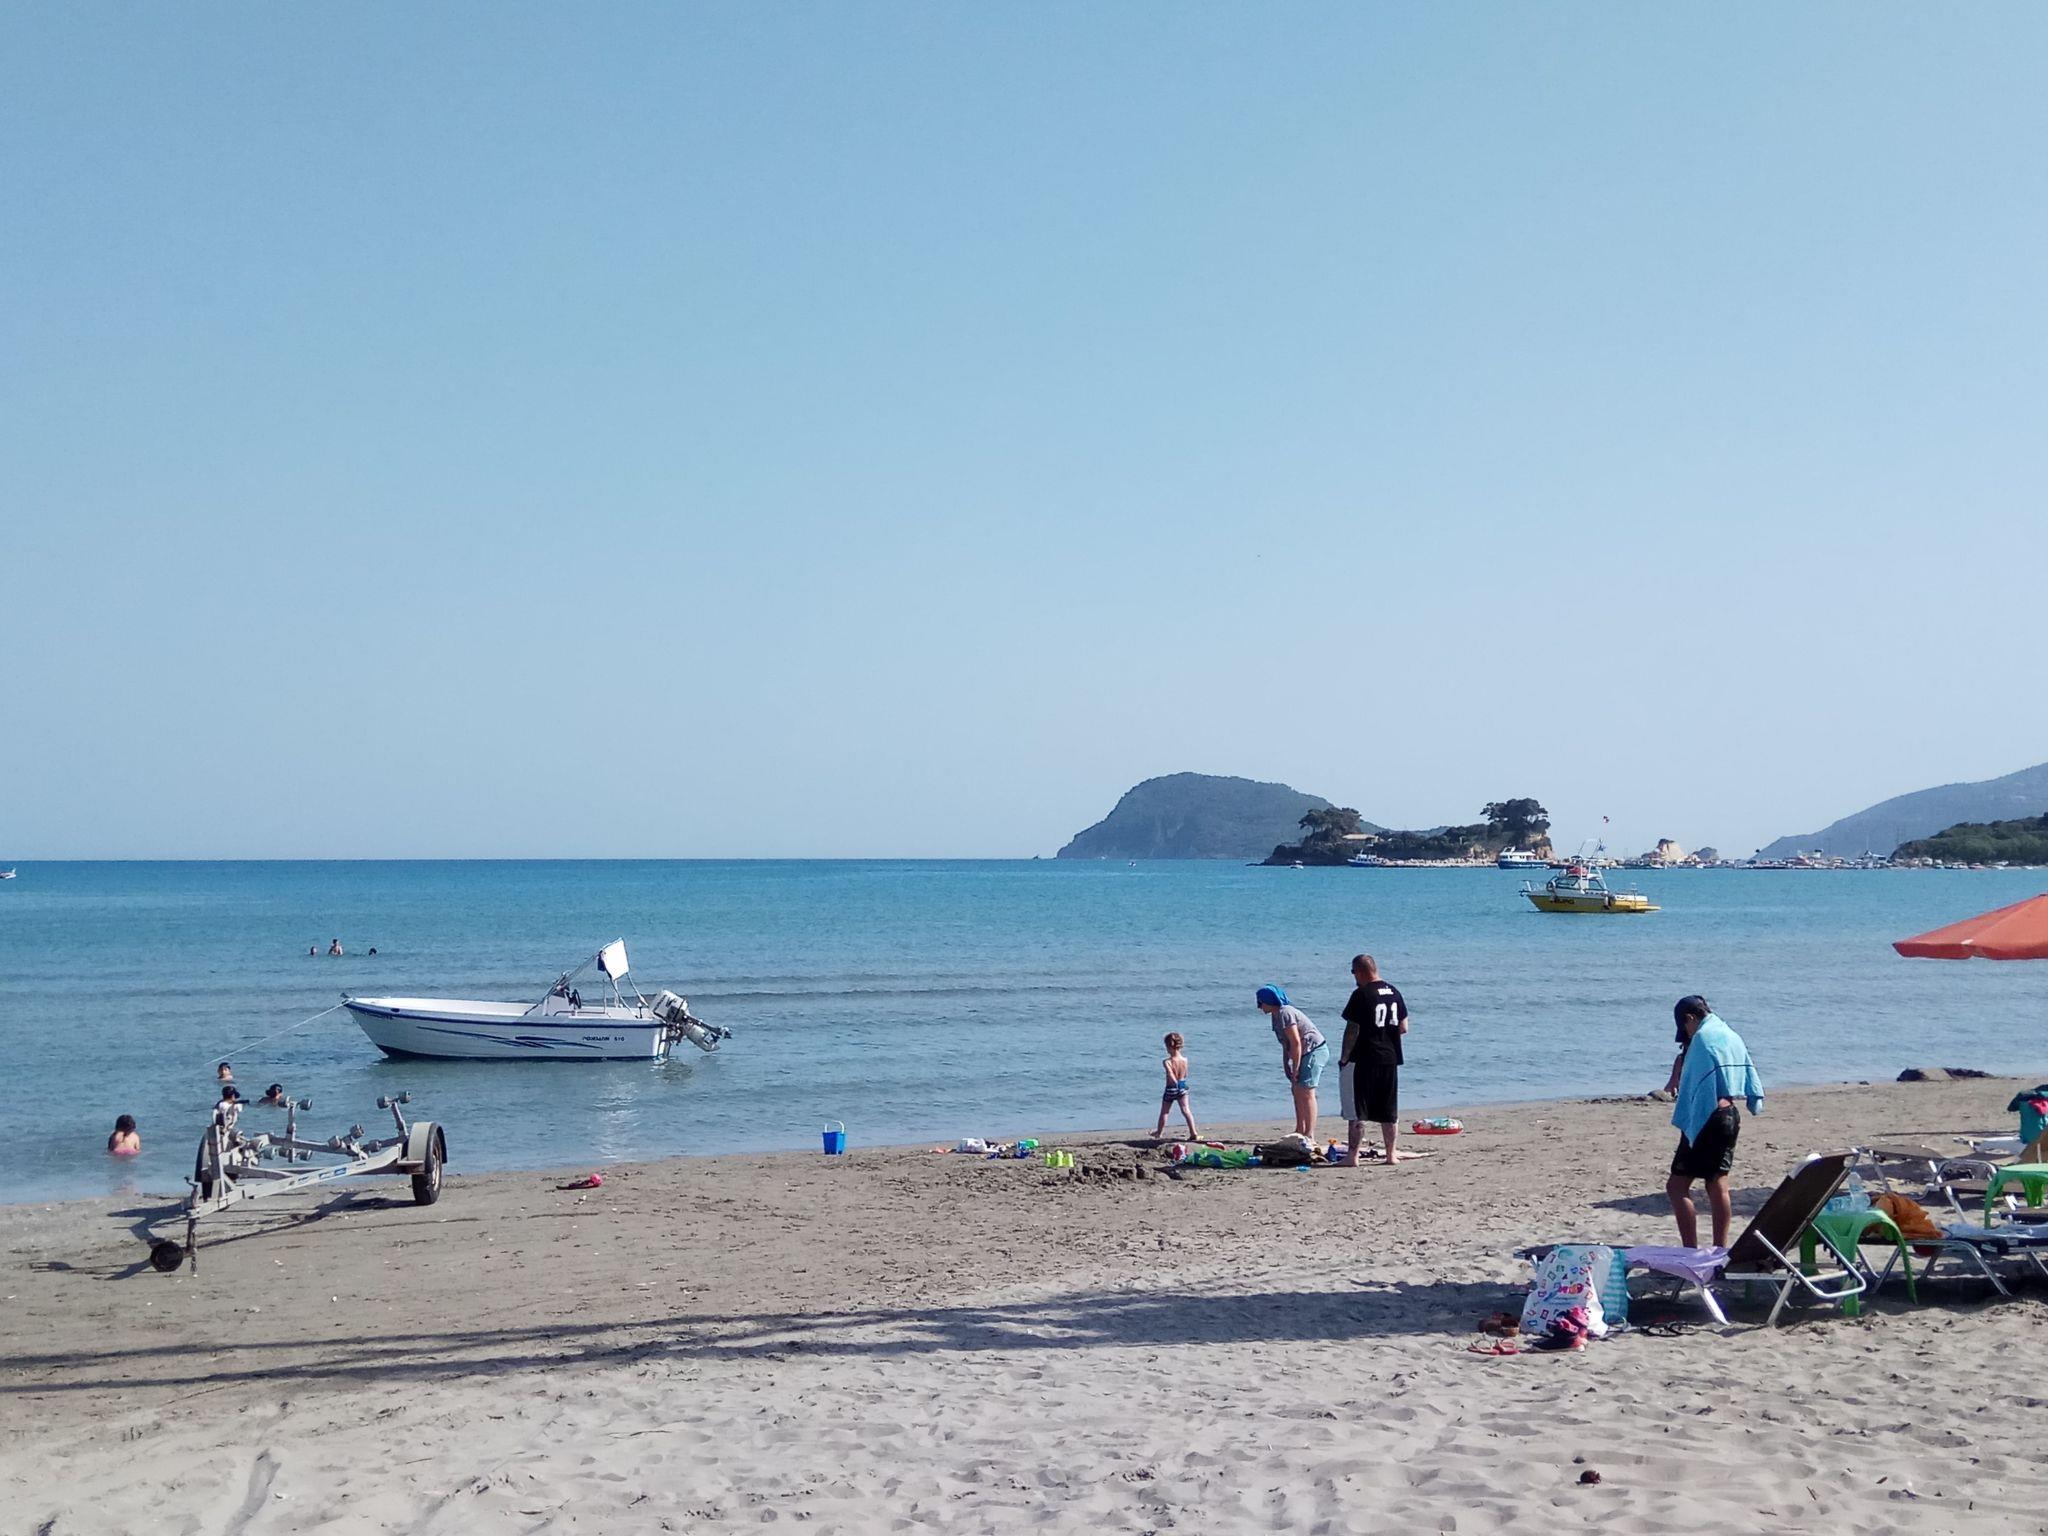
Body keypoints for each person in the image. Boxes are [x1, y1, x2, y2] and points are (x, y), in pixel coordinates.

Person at [1664, 995, 1765, 1249]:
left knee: (1677, 1186)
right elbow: (1747, 1069)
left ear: (1690, 1018)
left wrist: (1687, 1114)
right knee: (1717, 1184)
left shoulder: (1702, 1038)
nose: (1687, 1034)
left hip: (1707, 1118)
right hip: (1729, 1116)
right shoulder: (1729, 1034)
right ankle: (1720, 1249)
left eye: (1685, 1027)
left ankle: (1690, 1250)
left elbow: (1696, 1084)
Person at [1339, 954, 1410, 1166]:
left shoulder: (1361, 994)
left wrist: (1344, 1057)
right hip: (1389, 1057)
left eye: (1353, 972)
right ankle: (1391, 1154)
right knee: (1388, 1109)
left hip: (1364, 1057)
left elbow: (1352, 1029)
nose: (1354, 977)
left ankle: (1352, 1156)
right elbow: (1404, 1027)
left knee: (1357, 1109)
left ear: (1361, 971)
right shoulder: (1394, 992)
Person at [1255, 985, 1328, 1137]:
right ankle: (1299, 1129)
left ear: (1269, 1001)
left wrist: (1296, 1067)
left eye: (1260, 1003)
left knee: (1306, 1092)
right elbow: (1285, 1043)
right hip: (1301, 1053)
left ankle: (1309, 1134)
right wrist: (1286, 1064)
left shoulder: (1285, 1012)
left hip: (1313, 1051)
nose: (1259, 1007)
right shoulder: (1276, 1016)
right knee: (1296, 1090)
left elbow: (1296, 1042)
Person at [1152, 1032, 1200, 1141]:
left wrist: (1175, 1083)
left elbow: (1170, 1074)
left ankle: (1159, 1132)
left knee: (1165, 1112)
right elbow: (1185, 1074)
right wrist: (1181, 1085)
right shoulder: (1185, 1060)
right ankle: (1193, 1132)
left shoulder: (1167, 1062)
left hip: (1171, 1088)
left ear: (1169, 1046)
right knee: (1186, 1110)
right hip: (1182, 1087)